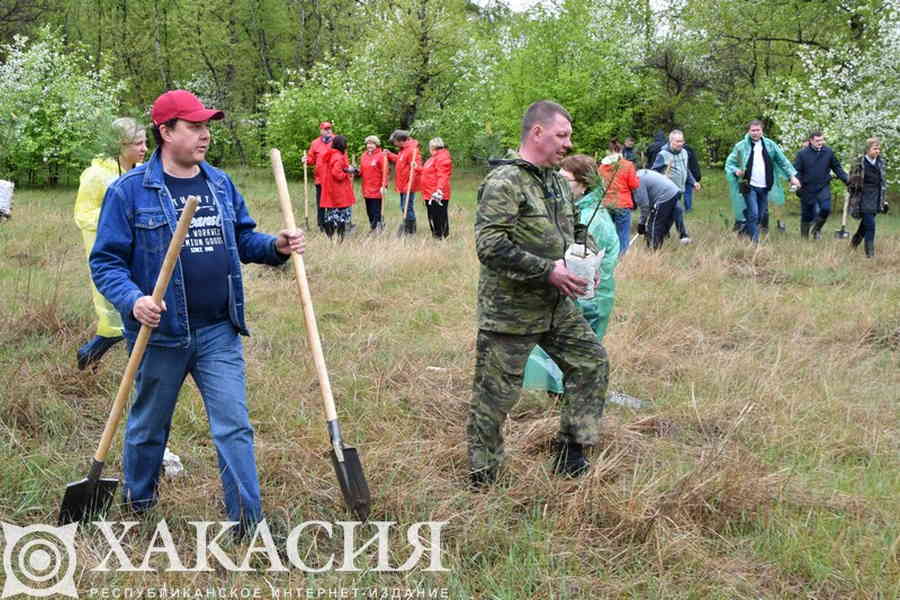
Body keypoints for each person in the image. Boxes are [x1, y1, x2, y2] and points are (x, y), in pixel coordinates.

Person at [90, 90, 305, 532]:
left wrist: (276, 247)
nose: (205, 134)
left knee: (234, 427)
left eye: (207, 125)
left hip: (217, 332)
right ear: (165, 132)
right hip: (160, 334)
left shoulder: (219, 183)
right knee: (149, 428)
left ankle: (248, 525)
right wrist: (134, 299)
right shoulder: (129, 192)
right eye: (194, 126)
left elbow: (244, 240)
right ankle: (140, 506)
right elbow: (105, 261)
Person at [469, 100, 609, 487]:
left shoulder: (554, 180)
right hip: (511, 310)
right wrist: (549, 271)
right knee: (495, 395)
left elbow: (571, 229)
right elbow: (490, 245)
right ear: (537, 133)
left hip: (556, 306)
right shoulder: (505, 182)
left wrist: (588, 255)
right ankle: (485, 475)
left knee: (590, 362)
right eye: (561, 135)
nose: (568, 144)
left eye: (568, 136)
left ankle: (571, 450)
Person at [522, 154, 620, 394]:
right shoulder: (577, 209)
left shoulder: (590, 218)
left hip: (590, 300)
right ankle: (560, 392)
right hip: (582, 295)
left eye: (566, 181)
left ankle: (571, 398)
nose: (560, 185)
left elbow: (577, 261)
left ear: (583, 184)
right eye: (558, 178)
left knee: (581, 357)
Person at [73, 117, 147, 370]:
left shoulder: (140, 172)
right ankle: (89, 357)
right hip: (110, 253)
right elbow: (83, 215)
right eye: (137, 143)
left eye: (145, 142)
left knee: (137, 311)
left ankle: (137, 370)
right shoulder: (96, 175)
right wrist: (119, 221)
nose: (144, 149)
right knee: (117, 317)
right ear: (119, 145)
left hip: (140, 251)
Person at [725, 120, 800, 242]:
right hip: (748, 185)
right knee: (754, 214)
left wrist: (792, 176)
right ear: (748, 131)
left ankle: (743, 232)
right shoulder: (741, 146)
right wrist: (736, 170)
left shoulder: (770, 145)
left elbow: (783, 161)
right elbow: (730, 163)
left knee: (760, 216)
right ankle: (755, 242)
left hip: (765, 186)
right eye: (752, 130)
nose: (755, 133)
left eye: (757, 130)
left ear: (762, 131)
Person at [793, 131, 850, 239]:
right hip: (806, 188)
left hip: (823, 186)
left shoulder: (828, 152)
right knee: (807, 215)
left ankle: (816, 229)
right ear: (811, 141)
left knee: (825, 208)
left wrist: (847, 180)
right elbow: (797, 170)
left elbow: (837, 168)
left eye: (822, 140)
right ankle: (804, 239)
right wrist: (797, 182)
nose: (820, 143)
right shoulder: (802, 154)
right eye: (817, 141)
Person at [651, 129, 700, 244]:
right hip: (667, 191)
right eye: (677, 141)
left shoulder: (684, 153)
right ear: (670, 141)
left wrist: (693, 182)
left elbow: (686, 170)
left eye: (681, 141)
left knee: (670, 216)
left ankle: (662, 234)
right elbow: (653, 172)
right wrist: (663, 177)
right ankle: (684, 236)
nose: (680, 144)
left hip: (680, 190)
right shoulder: (663, 154)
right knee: (678, 209)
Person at [847, 137, 888, 258]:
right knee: (871, 225)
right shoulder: (859, 163)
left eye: (878, 149)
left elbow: (883, 183)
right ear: (867, 150)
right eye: (875, 148)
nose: (877, 151)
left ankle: (854, 243)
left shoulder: (881, 162)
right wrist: (854, 198)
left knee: (865, 225)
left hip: (876, 197)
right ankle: (870, 255)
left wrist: (884, 200)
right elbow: (850, 183)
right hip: (863, 198)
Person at [598, 139, 640, 254]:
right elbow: (634, 184)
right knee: (622, 232)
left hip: (606, 203)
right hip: (622, 203)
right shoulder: (627, 165)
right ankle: (622, 255)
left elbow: (598, 185)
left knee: (608, 232)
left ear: (608, 151)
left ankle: (607, 253)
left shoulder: (602, 167)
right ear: (621, 151)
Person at [633, 168, 682, 250]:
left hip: (666, 195)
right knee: (660, 222)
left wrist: (642, 223)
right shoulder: (640, 173)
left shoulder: (637, 180)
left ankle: (652, 251)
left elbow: (644, 205)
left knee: (654, 224)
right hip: (674, 191)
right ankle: (657, 247)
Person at [320, 135, 357, 241]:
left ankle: (331, 236)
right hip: (338, 189)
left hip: (331, 188)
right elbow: (337, 173)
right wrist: (347, 173)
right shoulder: (338, 157)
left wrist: (346, 168)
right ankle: (339, 236)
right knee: (341, 212)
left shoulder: (331, 154)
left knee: (331, 212)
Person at [387, 130, 421, 235]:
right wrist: (389, 154)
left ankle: (411, 229)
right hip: (402, 184)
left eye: (395, 142)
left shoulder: (412, 150)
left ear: (400, 141)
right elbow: (400, 160)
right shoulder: (403, 150)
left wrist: (409, 184)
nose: (394, 144)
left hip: (409, 184)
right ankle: (407, 225)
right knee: (403, 206)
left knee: (407, 206)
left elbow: (416, 168)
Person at [420, 137, 453, 239]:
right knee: (432, 215)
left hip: (437, 194)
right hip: (428, 192)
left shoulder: (443, 157)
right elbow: (427, 172)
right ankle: (436, 235)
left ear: (432, 147)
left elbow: (443, 175)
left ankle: (441, 236)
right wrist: (416, 167)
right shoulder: (432, 158)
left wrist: (439, 190)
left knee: (439, 216)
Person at [306, 122, 334, 232]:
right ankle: (321, 225)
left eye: (329, 129)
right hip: (320, 179)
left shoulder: (336, 140)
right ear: (321, 131)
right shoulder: (315, 143)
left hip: (333, 179)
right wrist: (306, 160)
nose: (328, 131)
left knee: (332, 203)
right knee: (321, 203)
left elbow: (343, 156)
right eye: (325, 129)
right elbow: (311, 159)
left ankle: (332, 223)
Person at [359, 135, 388, 232]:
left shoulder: (381, 156)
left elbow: (385, 172)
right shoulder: (364, 156)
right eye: (368, 143)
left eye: (372, 143)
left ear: (376, 144)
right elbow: (361, 171)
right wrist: (355, 171)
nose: (369, 145)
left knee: (376, 211)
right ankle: (373, 226)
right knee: (369, 211)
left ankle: (376, 228)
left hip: (377, 189)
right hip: (366, 188)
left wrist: (384, 185)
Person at [683, 141, 702, 212]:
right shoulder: (689, 149)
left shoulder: (684, 151)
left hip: (689, 173)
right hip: (691, 173)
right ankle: (688, 208)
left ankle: (688, 208)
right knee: (687, 192)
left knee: (687, 191)